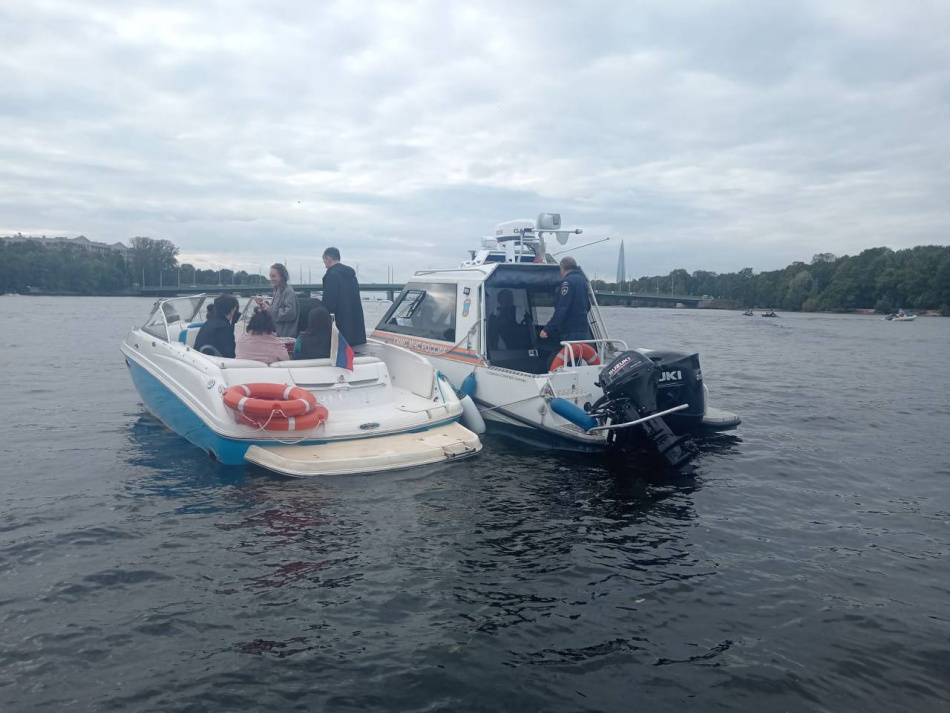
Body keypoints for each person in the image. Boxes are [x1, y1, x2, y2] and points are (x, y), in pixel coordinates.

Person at [539, 256, 592, 342]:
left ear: (562, 269)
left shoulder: (567, 283)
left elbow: (562, 309)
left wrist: (547, 329)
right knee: (581, 354)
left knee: (570, 354)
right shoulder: (582, 281)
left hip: (570, 332)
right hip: (584, 330)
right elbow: (588, 306)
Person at [322, 247, 366, 348]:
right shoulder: (351, 276)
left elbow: (329, 304)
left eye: (324, 261)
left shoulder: (332, 275)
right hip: (355, 328)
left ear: (328, 258)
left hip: (340, 327)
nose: (325, 265)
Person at [254, 263, 298, 338]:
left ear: (282, 276)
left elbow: (291, 313)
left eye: (273, 276)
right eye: (270, 276)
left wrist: (269, 309)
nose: (271, 279)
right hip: (277, 333)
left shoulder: (288, 291)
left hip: (285, 335)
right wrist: (265, 303)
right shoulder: (278, 290)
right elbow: (275, 309)